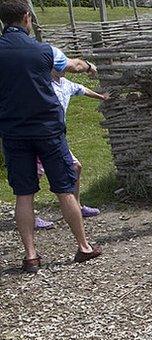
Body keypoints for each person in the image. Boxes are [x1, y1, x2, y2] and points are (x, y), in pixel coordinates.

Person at [0, 0, 102, 273]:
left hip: (13, 131)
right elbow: (74, 66)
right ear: (25, 18)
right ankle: (83, 247)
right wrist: (89, 65)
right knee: (64, 189)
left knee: (24, 194)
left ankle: (31, 255)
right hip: (47, 129)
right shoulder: (44, 50)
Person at [33, 69, 109, 229]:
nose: (63, 70)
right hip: (40, 135)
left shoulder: (66, 84)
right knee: (35, 175)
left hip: (57, 137)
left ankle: (77, 207)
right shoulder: (43, 85)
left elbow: (83, 89)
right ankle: (31, 217)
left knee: (75, 167)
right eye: (59, 67)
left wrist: (100, 97)